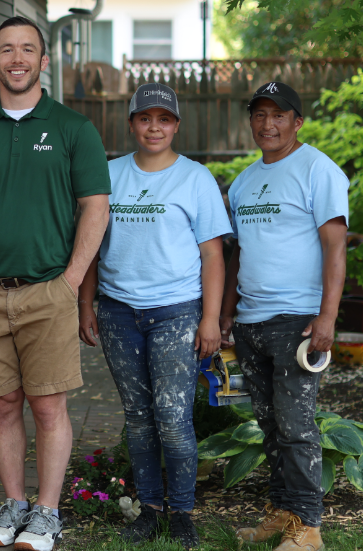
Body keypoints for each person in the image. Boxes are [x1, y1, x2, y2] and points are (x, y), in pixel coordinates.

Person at [0, 16, 111, 551]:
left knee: (48, 406)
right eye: (6, 50)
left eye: (28, 50)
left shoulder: (72, 128)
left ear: (43, 61)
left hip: (47, 291)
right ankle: (14, 503)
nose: (17, 59)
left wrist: (71, 281)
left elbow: (96, 208)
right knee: (1, 404)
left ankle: (47, 512)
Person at [78, 83, 231, 549]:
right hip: (120, 311)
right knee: (139, 417)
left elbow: (213, 256)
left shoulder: (196, 178)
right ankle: (150, 509)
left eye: (164, 119)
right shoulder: (110, 175)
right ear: (131, 124)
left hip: (177, 311)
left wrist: (210, 318)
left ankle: (182, 511)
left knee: (172, 416)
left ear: (176, 125)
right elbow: (90, 246)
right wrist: (86, 304)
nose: (154, 127)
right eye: (145, 118)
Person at [220, 82, 348, 551]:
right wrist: (227, 314)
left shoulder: (318, 169)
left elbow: (336, 246)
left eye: (279, 115)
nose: (268, 124)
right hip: (252, 320)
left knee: (296, 424)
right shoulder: (245, 181)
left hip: (297, 319)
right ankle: (284, 510)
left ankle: (309, 528)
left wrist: (327, 317)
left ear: (297, 121)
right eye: (260, 114)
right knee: (270, 423)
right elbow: (239, 254)